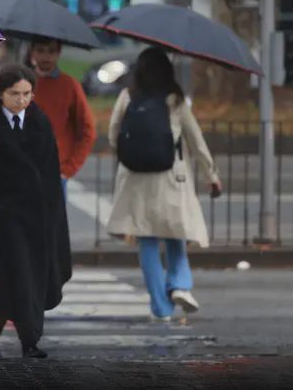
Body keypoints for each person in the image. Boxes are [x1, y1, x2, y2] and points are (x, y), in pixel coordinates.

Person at [0, 64, 71, 359]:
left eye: (27, 94)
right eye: (15, 94)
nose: (22, 100)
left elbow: (49, 172)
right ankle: (21, 341)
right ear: (0, 94)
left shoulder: (40, 122)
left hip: (35, 216)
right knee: (11, 279)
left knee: (31, 280)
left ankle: (18, 341)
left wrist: (51, 216)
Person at [106, 47, 222, 322]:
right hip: (171, 177)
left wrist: (133, 153)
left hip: (136, 180)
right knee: (176, 234)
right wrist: (211, 176)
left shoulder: (127, 96)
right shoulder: (175, 100)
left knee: (146, 241)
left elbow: (113, 135)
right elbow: (196, 142)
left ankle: (160, 308)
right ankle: (180, 285)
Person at [27, 36, 96, 196]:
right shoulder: (21, 84)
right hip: (24, 169)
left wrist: (69, 169)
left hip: (56, 171)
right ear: (32, 52)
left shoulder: (69, 85)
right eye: (41, 50)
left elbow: (88, 130)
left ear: (59, 53)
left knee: (53, 221)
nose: (46, 56)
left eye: (51, 51)